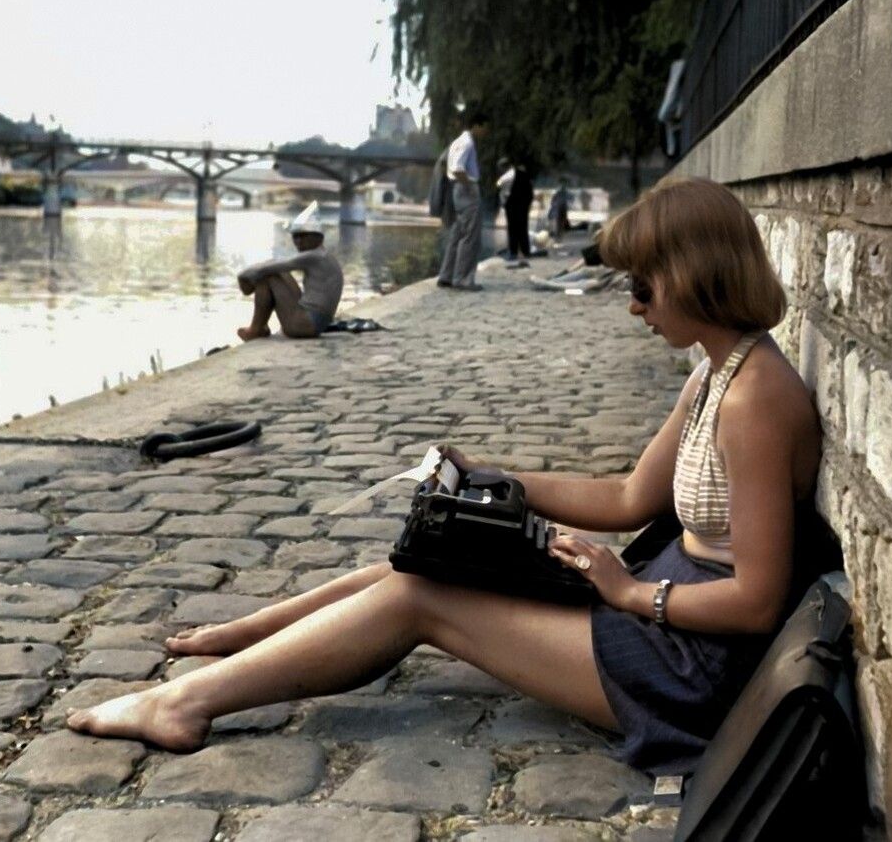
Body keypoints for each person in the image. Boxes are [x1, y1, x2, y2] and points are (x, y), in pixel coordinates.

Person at [66, 177, 820, 777]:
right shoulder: (718, 372)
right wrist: (493, 476)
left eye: (643, 287)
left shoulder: (755, 400)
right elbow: (629, 496)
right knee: (429, 561)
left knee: (418, 598)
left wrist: (627, 592)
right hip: (669, 618)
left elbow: (757, 602)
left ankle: (184, 703)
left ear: (690, 277)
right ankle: (248, 639)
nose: (632, 306)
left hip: (688, 668)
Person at [235, 202, 343, 341]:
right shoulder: (323, 255)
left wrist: (242, 277)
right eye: (295, 237)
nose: (298, 241)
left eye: (303, 236)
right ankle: (259, 327)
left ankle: (255, 330)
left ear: (318, 237)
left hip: (305, 325)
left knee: (269, 275)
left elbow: (269, 268)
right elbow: (276, 264)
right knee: (276, 271)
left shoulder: (314, 256)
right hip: (314, 323)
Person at [436, 108, 488, 291]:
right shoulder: (467, 143)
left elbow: (446, 165)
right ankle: (463, 279)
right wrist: (470, 187)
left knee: (457, 234)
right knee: (470, 237)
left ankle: (447, 275)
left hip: (457, 190)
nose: (486, 132)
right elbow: (458, 168)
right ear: (477, 126)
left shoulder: (457, 142)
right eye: (485, 128)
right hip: (466, 188)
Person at [497, 156, 533, 266]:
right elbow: (530, 192)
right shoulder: (523, 174)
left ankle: (513, 252)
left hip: (512, 205)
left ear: (503, 167)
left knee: (512, 229)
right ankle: (525, 251)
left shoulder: (504, 178)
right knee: (523, 228)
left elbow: (500, 188)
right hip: (523, 205)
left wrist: (503, 204)